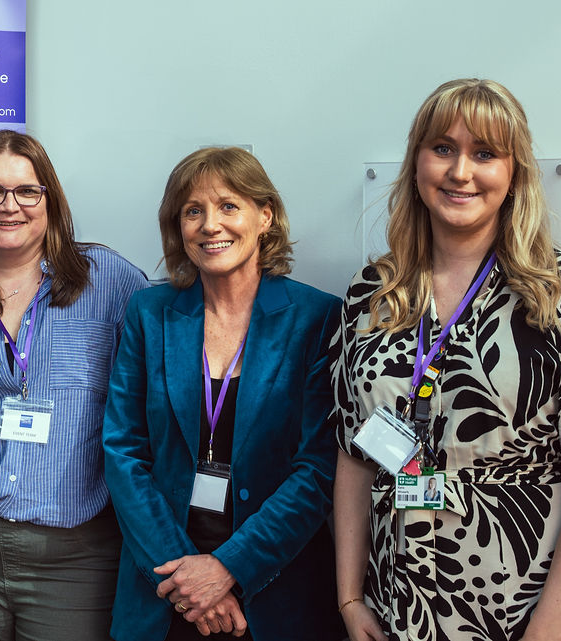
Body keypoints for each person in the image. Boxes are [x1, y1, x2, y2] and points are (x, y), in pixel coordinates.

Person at [331, 78, 561, 641]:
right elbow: (355, 454)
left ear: (515, 174)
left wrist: (544, 635)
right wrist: (351, 599)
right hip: (401, 610)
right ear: (416, 164)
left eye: (485, 153)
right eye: (443, 149)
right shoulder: (373, 292)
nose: (461, 172)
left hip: (536, 612)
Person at [0, 129, 148, 641]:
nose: (8, 206)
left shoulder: (111, 283)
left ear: (50, 201)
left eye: (26, 191)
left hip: (78, 556)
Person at [103, 147, 345, 641]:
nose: (211, 224)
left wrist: (227, 569)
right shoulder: (149, 314)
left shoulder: (317, 319)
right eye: (193, 211)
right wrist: (186, 581)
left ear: (265, 216)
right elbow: (123, 452)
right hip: (163, 592)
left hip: (273, 597)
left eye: (229, 206)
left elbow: (318, 468)